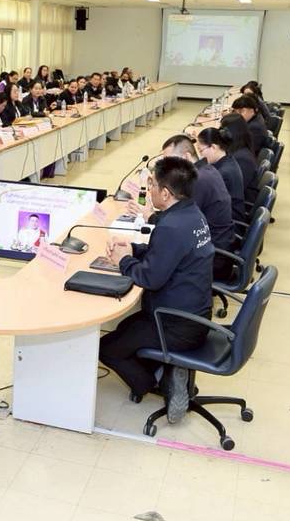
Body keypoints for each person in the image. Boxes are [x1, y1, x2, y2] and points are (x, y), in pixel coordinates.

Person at [99, 157, 214, 417]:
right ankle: (167, 368)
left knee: (108, 348)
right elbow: (165, 255)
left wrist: (123, 261)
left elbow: (150, 278)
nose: (149, 190)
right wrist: (132, 249)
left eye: (152, 185)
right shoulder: (191, 214)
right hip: (194, 314)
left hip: (174, 324)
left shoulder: (171, 226)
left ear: (165, 193)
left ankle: (158, 384)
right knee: (124, 329)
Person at [130, 136, 236, 279]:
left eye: (170, 161)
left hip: (212, 260)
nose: (166, 168)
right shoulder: (206, 170)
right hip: (211, 249)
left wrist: (150, 216)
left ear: (186, 157)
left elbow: (179, 226)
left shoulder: (198, 181)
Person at [197, 127, 246, 223]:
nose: (201, 156)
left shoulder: (223, 173)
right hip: (229, 213)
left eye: (201, 151)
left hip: (231, 221)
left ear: (213, 147)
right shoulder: (227, 158)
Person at [219, 113, 260, 201]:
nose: (221, 134)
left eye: (223, 130)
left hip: (240, 202)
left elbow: (233, 189)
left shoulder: (242, 158)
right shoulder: (238, 149)